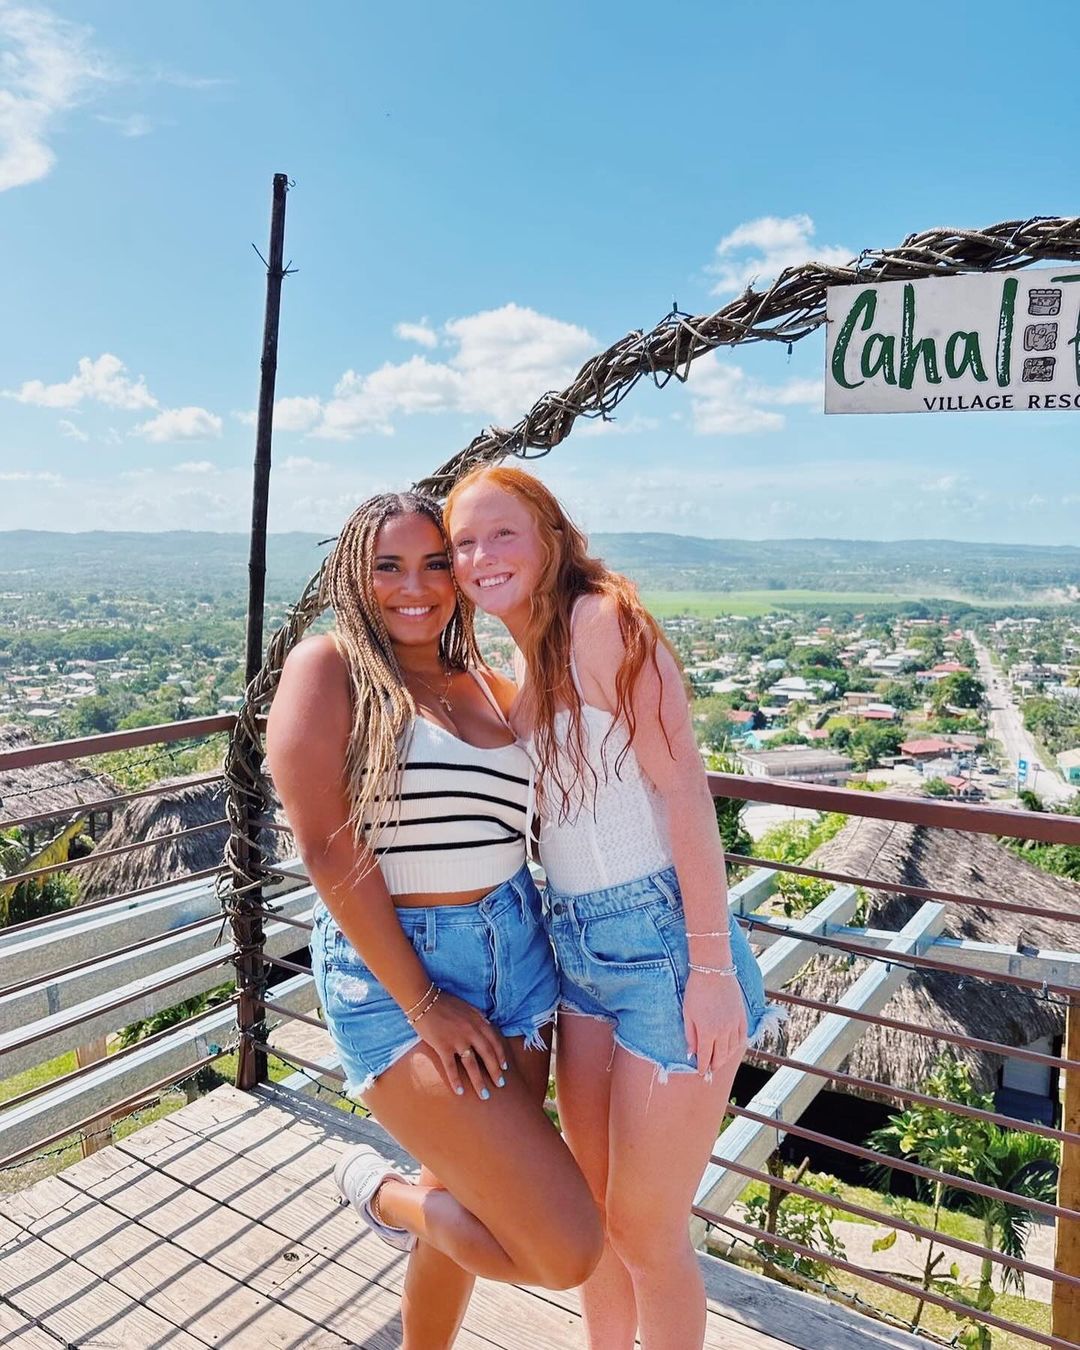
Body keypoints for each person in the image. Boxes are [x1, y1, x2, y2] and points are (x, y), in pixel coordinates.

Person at [446, 466, 780, 1350]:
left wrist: (712, 971)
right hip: (577, 948)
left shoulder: (602, 623)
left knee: (647, 1232)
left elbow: (684, 792)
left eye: (503, 533)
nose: (482, 555)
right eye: (464, 543)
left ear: (551, 538)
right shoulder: (526, 655)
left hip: (665, 945)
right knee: (590, 1213)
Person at [266, 491, 602, 1350]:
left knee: (469, 1195)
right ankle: (383, 1196)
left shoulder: (491, 685)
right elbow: (328, 849)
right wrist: (423, 1004)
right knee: (564, 1248)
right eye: (389, 566)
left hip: (518, 962)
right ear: (354, 575)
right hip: (400, 976)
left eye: (435, 563)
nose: (414, 586)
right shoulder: (329, 667)